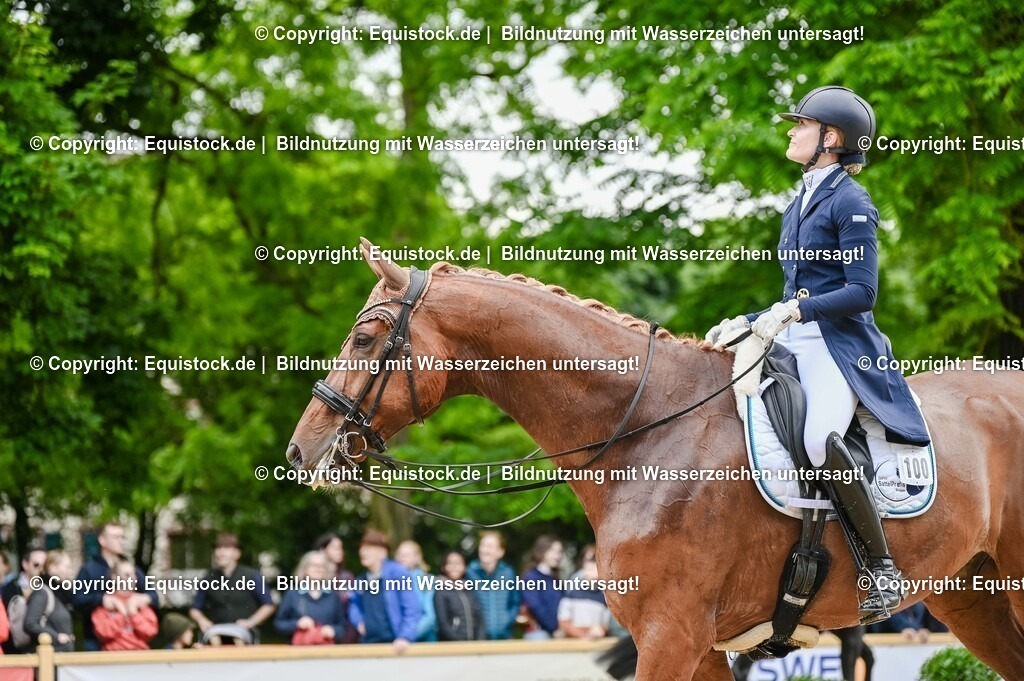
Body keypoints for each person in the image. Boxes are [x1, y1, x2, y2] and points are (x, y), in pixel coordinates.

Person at [706, 86, 930, 622]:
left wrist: (796, 312)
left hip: (837, 343)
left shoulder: (852, 203)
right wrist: (755, 317)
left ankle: (880, 568)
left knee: (815, 438)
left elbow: (862, 292)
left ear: (831, 139)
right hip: (794, 337)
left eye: (801, 125)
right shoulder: (799, 201)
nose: (791, 131)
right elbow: (797, 288)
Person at [72, 522, 160, 650]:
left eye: (122, 537)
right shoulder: (89, 569)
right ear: (102, 540)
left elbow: (154, 596)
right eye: (116, 537)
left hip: (133, 641)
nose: (121, 541)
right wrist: (102, 599)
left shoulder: (132, 568)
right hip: (96, 641)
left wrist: (143, 599)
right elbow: (76, 600)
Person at [189, 533, 275, 645]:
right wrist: (202, 620)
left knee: (238, 639)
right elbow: (195, 609)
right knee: (214, 639)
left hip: (243, 633)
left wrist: (250, 622)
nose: (221, 552)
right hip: (216, 632)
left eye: (226, 548)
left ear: (237, 553)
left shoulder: (252, 576)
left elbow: (268, 605)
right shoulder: (208, 578)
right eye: (218, 548)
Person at [348, 529, 421, 653]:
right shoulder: (361, 580)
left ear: (383, 553)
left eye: (369, 548)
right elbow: (354, 604)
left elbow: (412, 609)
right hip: (368, 645)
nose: (363, 552)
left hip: (395, 645)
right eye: (362, 548)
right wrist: (359, 622)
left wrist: (404, 637)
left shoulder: (398, 573)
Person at [274, 551, 348, 645]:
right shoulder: (293, 594)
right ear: (304, 569)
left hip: (326, 652)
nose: (318, 569)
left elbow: (342, 627)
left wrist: (333, 630)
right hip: (298, 653)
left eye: (322, 566)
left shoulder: (333, 596)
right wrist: (297, 624)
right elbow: (279, 624)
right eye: (314, 565)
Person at [91, 558, 159, 650]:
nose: (133, 578)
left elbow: (150, 632)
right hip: (113, 658)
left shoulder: (139, 601)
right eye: (127, 575)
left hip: (140, 656)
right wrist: (121, 613)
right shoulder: (107, 602)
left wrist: (133, 613)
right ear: (115, 577)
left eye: (134, 574)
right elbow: (102, 633)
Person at [466, 531, 520, 640]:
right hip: (478, 638)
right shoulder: (469, 572)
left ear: (500, 552)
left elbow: (515, 602)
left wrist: (507, 620)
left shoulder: (508, 573)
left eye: (490, 546)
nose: (485, 550)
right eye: (483, 545)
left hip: (505, 637)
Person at [24, 551, 76, 652]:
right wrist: (56, 637)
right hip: (49, 659)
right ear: (52, 568)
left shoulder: (60, 594)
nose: (70, 571)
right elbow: (30, 623)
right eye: (67, 567)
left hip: (62, 658)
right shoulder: (42, 593)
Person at [314, 532, 358, 643]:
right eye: (334, 548)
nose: (339, 551)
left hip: (346, 634)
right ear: (322, 550)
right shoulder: (314, 578)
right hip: (319, 633)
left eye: (340, 548)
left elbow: (353, 605)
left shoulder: (347, 577)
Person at [1, 547, 46, 654]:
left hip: (45, 648)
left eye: (45, 565)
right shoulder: (11, 588)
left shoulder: (50, 587)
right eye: (36, 565)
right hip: (17, 652)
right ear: (25, 564)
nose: (41, 569)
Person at [558, 547, 610, 640]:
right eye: (587, 569)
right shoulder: (571, 595)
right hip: (573, 642)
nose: (588, 573)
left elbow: (605, 624)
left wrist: (600, 630)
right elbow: (564, 622)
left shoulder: (604, 598)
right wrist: (582, 635)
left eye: (593, 569)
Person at [433, 551, 485, 641]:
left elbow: (479, 619)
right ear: (444, 567)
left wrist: (479, 641)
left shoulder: (470, 591)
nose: (454, 566)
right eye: (450, 563)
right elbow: (443, 624)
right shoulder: (440, 592)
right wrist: (461, 643)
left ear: (464, 567)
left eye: (458, 563)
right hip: (452, 647)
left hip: (474, 646)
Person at [520, 535, 564, 640]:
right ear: (542, 551)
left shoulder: (556, 579)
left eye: (559, 552)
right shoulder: (531, 577)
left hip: (557, 633)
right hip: (538, 633)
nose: (557, 556)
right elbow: (536, 607)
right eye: (553, 551)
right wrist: (554, 629)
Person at [394, 540, 437, 642]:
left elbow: (430, 617)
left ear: (418, 558)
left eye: (406, 555)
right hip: (397, 642)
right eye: (399, 554)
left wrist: (408, 636)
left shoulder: (426, 580)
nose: (402, 558)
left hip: (424, 642)